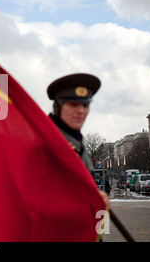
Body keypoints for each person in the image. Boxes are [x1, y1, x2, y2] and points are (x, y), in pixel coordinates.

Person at [47, 73, 110, 210]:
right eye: (73, 104)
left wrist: (99, 207)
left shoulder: (77, 144)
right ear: (58, 107)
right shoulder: (46, 143)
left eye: (85, 105)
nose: (81, 111)